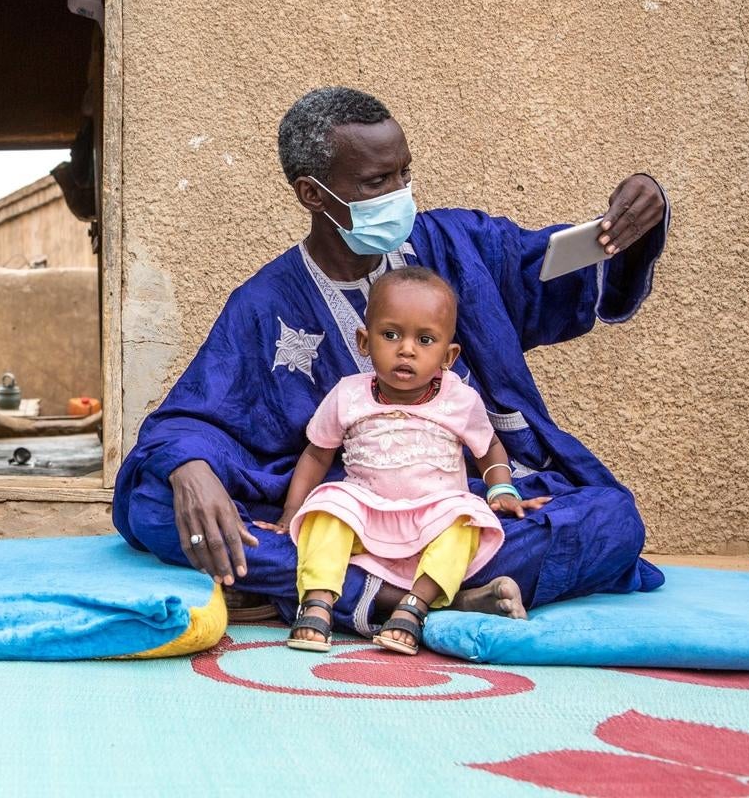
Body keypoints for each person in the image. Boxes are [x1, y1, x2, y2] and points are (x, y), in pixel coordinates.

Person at [113, 85, 668, 638]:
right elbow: (196, 412)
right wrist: (189, 466)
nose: (401, 193)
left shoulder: (456, 246)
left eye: (404, 173)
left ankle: (330, 591)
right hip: (343, 508)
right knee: (158, 505)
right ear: (313, 194)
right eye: (379, 182)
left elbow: (551, 266)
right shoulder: (266, 302)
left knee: (611, 521)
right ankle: (411, 598)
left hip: (463, 505)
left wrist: (633, 222)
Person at [269, 267, 538, 656]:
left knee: (467, 519)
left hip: (433, 516)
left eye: (425, 340)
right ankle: (317, 602)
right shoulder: (349, 395)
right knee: (325, 509)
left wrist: (501, 487)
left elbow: (489, 448)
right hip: (365, 512)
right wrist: (290, 511)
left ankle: (414, 605)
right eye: (390, 335)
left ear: (448, 355)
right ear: (364, 340)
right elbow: (316, 452)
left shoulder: (460, 400)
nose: (406, 349)